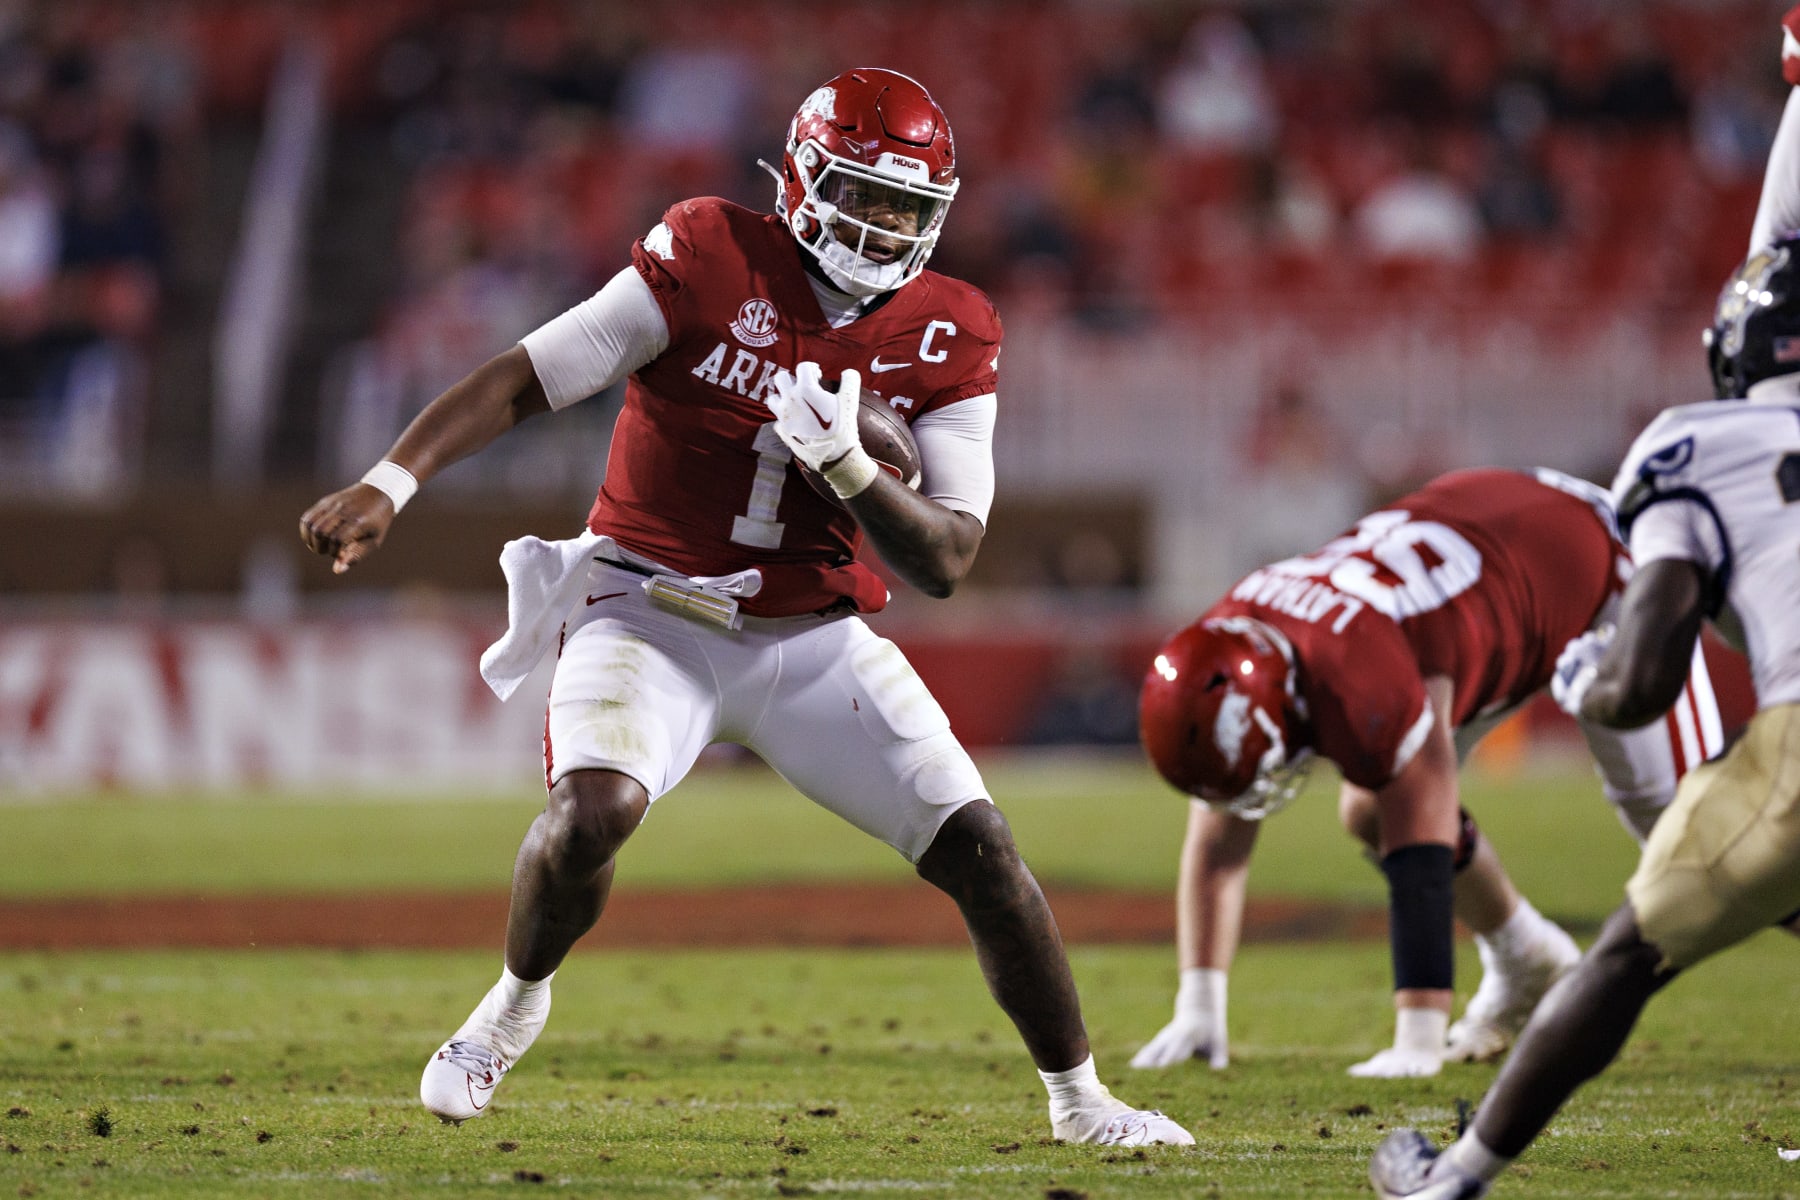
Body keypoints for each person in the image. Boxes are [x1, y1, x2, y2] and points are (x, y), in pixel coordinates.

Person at [298, 67, 1191, 1148]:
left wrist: (857, 476)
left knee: (985, 853)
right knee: (592, 815)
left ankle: (1082, 1102)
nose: (883, 224)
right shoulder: (709, 251)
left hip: (810, 641)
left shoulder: (952, 326)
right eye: (864, 194)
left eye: (908, 207)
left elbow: (951, 556)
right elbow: (528, 375)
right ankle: (512, 1005)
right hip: (647, 612)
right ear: (806, 179)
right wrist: (390, 481)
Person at [1369, 12, 1800, 1195]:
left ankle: (1456, 1175)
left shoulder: (1700, 445)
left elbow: (1647, 678)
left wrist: (1584, 679)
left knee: (1623, 956)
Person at [1132, 467, 1722, 1078]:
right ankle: (1529, 959)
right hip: (1488, 542)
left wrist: (1419, 1035)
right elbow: (1218, 845)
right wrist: (1198, 1007)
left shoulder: (1353, 668)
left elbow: (1423, 829)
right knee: (1367, 809)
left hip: (1599, 566)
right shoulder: (1233, 643)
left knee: (1706, 843)